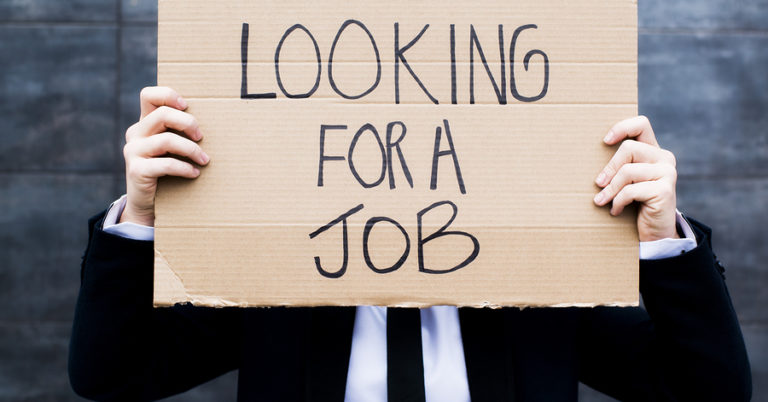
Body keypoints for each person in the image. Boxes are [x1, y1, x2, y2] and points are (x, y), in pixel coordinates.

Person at [68, 87, 752, 401]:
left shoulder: (546, 289)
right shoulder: (268, 280)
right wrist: (143, 216)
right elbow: (111, 375)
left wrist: (662, 241)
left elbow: (708, 392)